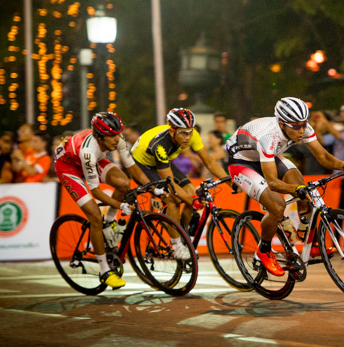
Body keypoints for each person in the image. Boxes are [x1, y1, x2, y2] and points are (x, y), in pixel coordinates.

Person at [225, 97, 344, 276]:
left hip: (266, 156)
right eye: (296, 126)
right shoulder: (269, 136)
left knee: (303, 187)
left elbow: (323, 157)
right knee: (277, 205)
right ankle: (264, 251)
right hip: (241, 162)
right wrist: (295, 191)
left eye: (304, 124)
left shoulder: (301, 127)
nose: (302, 130)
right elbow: (273, 183)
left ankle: (309, 242)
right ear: (282, 124)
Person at [53, 112, 152, 289]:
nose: (116, 139)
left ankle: (110, 221)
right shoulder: (88, 152)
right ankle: (105, 271)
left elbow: (133, 168)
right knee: (95, 215)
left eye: (117, 134)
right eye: (111, 136)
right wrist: (121, 205)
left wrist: (153, 188)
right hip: (68, 167)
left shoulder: (118, 139)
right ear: (99, 137)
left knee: (123, 183)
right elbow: (96, 192)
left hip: (92, 161)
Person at [131, 108, 229, 251]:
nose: (187, 137)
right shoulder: (160, 145)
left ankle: (182, 232)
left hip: (163, 162)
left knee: (192, 192)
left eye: (190, 132)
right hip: (141, 164)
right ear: (172, 131)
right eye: (183, 133)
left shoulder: (191, 134)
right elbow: (170, 183)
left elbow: (209, 162)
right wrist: (192, 201)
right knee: (173, 200)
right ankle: (177, 246)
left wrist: (229, 180)